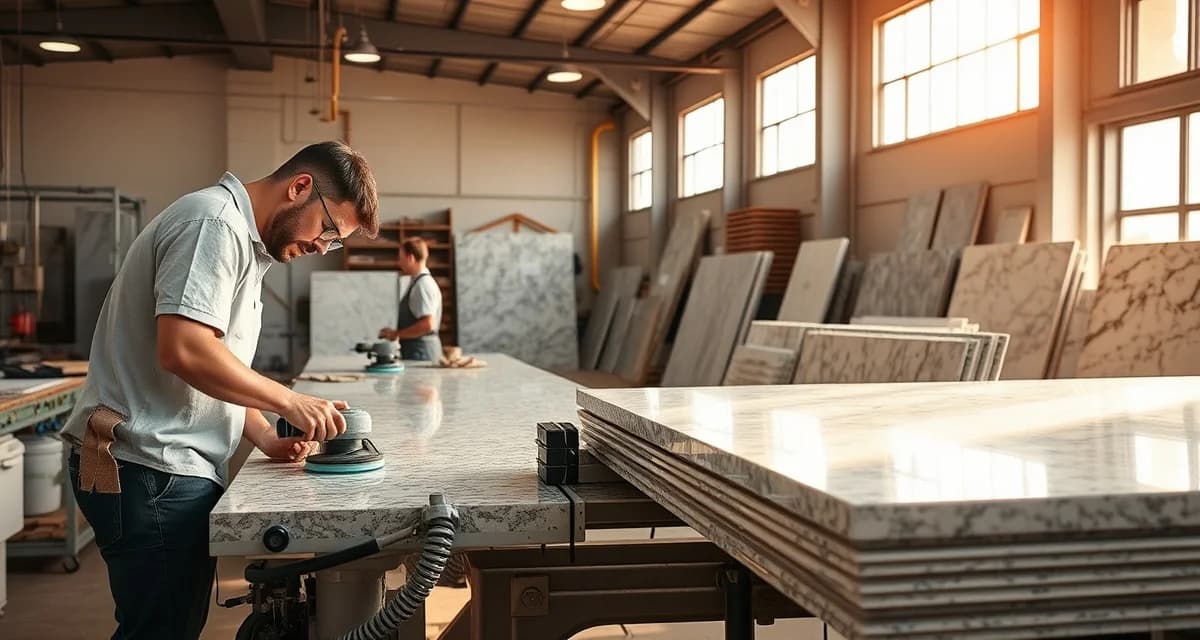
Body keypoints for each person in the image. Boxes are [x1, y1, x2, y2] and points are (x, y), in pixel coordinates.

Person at [59, 141, 379, 640]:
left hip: (160, 465)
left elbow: (214, 369)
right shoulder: (212, 225)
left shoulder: (246, 247)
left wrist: (264, 436)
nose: (322, 247)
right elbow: (184, 350)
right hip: (148, 467)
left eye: (334, 242)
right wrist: (289, 400)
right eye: (329, 230)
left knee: (171, 625)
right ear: (299, 188)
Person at [378, 237, 444, 361]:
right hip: (417, 352)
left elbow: (428, 324)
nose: (399, 263)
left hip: (422, 353)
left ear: (410, 258)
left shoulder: (423, 285)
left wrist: (396, 334)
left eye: (400, 259)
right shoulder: (417, 282)